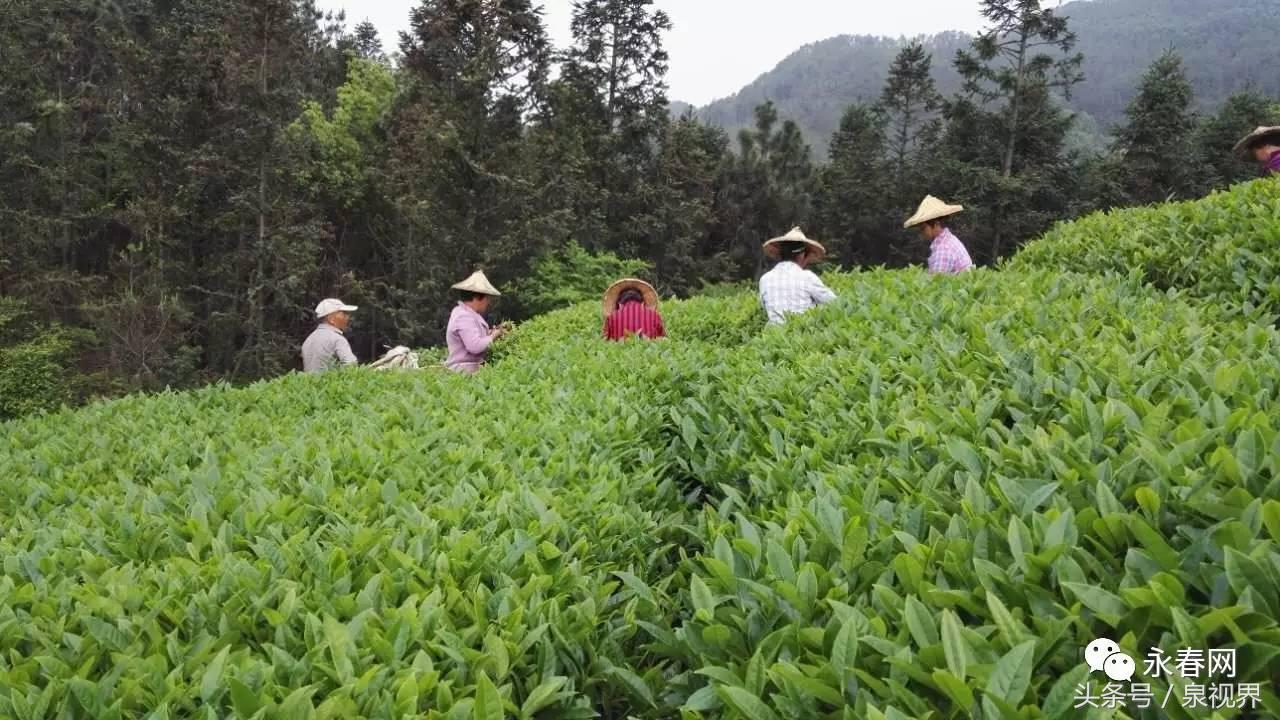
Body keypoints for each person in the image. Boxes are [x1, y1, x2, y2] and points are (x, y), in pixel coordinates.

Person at [758, 227, 838, 325]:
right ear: (801, 255)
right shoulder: (807, 277)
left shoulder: (765, 279)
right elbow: (835, 303)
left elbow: (765, 307)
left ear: (781, 254)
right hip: (801, 333)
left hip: (773, 336)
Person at [444, 271, 506, 374]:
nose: (488, 302)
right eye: (487, 298)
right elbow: (475, 346)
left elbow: (474, 337)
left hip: (474, 368)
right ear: (477, 297)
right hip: (463, 372)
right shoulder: (463, 316)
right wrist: (494, 335)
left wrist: (490, 333)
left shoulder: (469, 314)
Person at [904, 196, 974, 275]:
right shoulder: (948, 240)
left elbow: (936, 282)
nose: (922, 232)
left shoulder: (944, 247)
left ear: (936, 224)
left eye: (923, 228)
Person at [301, 298, 359, 373]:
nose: (347, 317)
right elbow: (352, 366)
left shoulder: (308, 340)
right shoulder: (337, 339)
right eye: (343, 313)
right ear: (331, 319)